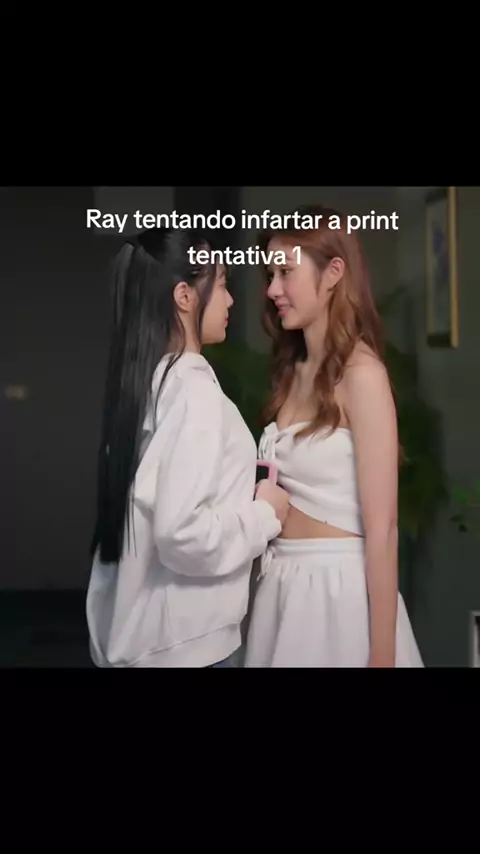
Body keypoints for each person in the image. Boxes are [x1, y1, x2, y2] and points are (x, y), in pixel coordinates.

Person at [86, 227, 289, 668]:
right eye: (222, 284)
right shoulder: (193, 393)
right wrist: (265, 514)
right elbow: (182, 534)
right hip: (186, 648)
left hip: (146, 642)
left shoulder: (149, 387)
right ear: (184, 296)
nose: (230, 300)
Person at [244, 205, 424, 667]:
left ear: (333, 273)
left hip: (337, 593)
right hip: (281, 586)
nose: (272, 289)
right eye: (270, 275)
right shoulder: (292, 371)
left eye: (286, 272)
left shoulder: (363, 376)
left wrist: (381, 656)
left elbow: (383, 529)